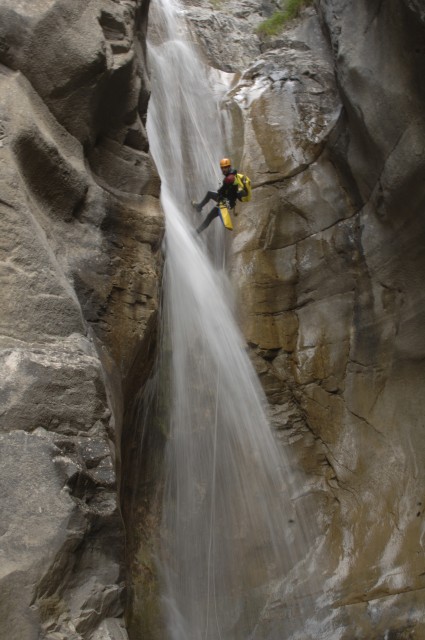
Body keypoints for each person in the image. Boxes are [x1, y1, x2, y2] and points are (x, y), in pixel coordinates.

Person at [192, 158, 248, 234]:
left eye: (225, 167)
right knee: (210, 216)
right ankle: (196, 232)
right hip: (226, 201)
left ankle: (199, 207)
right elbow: (228, 188)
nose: (224, 170)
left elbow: (224, 189)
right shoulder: (232, 175)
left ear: (229, 167)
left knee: (210, 194)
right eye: (222, 168)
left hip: (226, 202)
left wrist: (222, 188)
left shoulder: (230, 178)